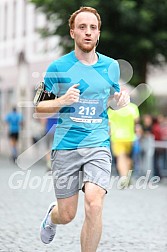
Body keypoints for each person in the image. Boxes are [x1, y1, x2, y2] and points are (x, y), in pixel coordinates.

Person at [35, 7, 130, 251]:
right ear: (72, 32)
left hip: (98, 143)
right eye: (82, 27)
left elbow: (109, 100)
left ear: (98, 33)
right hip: (66, 146)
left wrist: (118, 103)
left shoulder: (111, 67)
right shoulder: (59, 67)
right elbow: (39, 107)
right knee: (67, 215)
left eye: (93, 28)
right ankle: (52, 216)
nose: (88, 32)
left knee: (95, 203)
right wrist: (61, 101)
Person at [108, 102, 140, 187]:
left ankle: (123, 177)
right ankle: (127, 175)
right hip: (130, 137)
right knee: (128, 157)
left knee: (120, 157)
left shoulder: (113, 108)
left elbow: (109, 123)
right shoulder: (133, 107)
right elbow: (136, 122)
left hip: (117, 137)